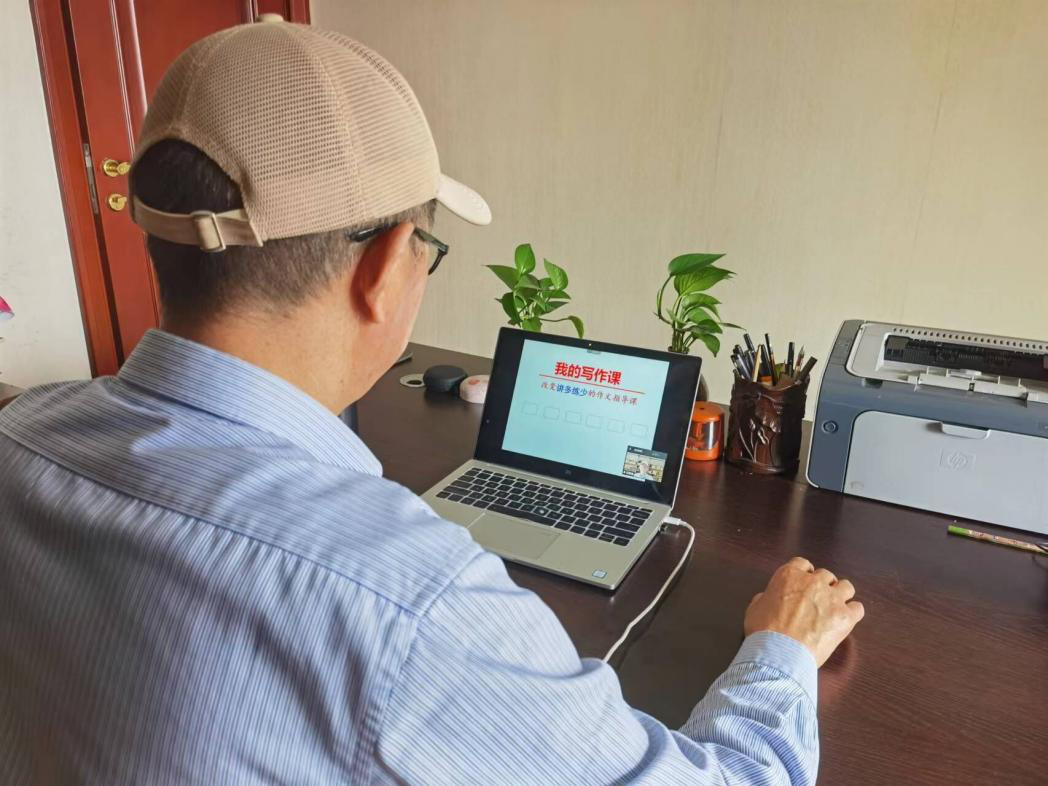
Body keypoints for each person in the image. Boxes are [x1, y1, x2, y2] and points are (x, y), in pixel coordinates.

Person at [0, 19, 864, 785]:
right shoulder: (411, 603)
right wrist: (782, 650)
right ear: (384, 271)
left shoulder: (20, 438)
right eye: (429, 251)